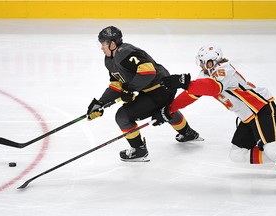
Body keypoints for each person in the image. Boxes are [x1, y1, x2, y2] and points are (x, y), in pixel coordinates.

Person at [153, 44, 276, 170]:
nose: (201, 65)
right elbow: (192, 93)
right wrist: (169, 110)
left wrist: (185, 83)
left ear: (211, 63)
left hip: (260, 108)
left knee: (271, 148)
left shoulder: (225, 69)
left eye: (203, 62)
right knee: (236, 154)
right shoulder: (205, 75)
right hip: (248, 118)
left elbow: (214, 88)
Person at [86, 26, 201, 162]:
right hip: (154, 90)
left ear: (112, 43)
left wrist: (130, 89)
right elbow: (116, 85)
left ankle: (138, 150)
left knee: (123, 117)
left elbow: (148, 71)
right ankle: (187, 133)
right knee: (162, 109)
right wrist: (101, 103)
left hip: (160, 89)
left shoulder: (125, 53)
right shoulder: (110, 60)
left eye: (103, 43)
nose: (101, 47)